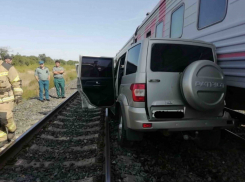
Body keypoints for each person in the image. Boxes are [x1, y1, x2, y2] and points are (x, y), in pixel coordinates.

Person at [0, 55, 23, 147]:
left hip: (6, 98)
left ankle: (12, 129)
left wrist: (18, 95)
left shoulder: (7, 67)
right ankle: (2, 138)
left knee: (4, 117)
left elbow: (16, 81)